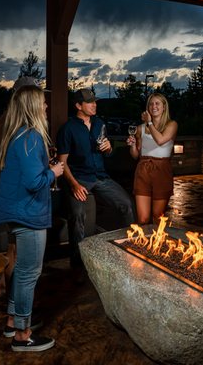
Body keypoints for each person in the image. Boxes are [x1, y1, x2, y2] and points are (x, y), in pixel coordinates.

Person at [0, 84, 64, 352]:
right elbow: (35, 182)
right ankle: (23, 335)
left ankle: (12, 321)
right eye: (42, 103)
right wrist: (54, 172)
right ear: (33, 107)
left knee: (22, 271)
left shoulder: (19, 135)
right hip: (29, 214)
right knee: (28, 274)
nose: (46, 107)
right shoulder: (31, 137)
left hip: (19, 212)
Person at [56, 88, 135, 270]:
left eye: (95, 101)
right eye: (90, 102)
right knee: (77, 215)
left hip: (100, 177)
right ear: (78, 105)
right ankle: (78, 265)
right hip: (79, 179)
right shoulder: (68, 129)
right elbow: (62, 163)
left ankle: (130, 250)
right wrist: (74, 185)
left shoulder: (100, 123)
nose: (94, 104)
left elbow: (107, 152)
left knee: (127, 205)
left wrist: (108, 149)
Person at [0, 76, 44, 298]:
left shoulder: (6, 122)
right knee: (21, 258)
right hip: (21, 199)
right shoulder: (20, 128)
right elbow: (28, 173)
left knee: (13, 248)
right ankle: (16, 310)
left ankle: (4, 290)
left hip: (9, 194)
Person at [127, 93, 178, 225]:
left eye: (157, 103)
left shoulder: (171, 125)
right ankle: (143, 244)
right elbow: (135, 155)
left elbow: (160, 140)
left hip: (161, 170)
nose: (153, 106)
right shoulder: (140, 128)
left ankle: (158, 243)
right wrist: (132, 145)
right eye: (151, 104)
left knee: (157, 216)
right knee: (143, 219)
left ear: (164, 107)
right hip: (143, 170)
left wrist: (149, 122)